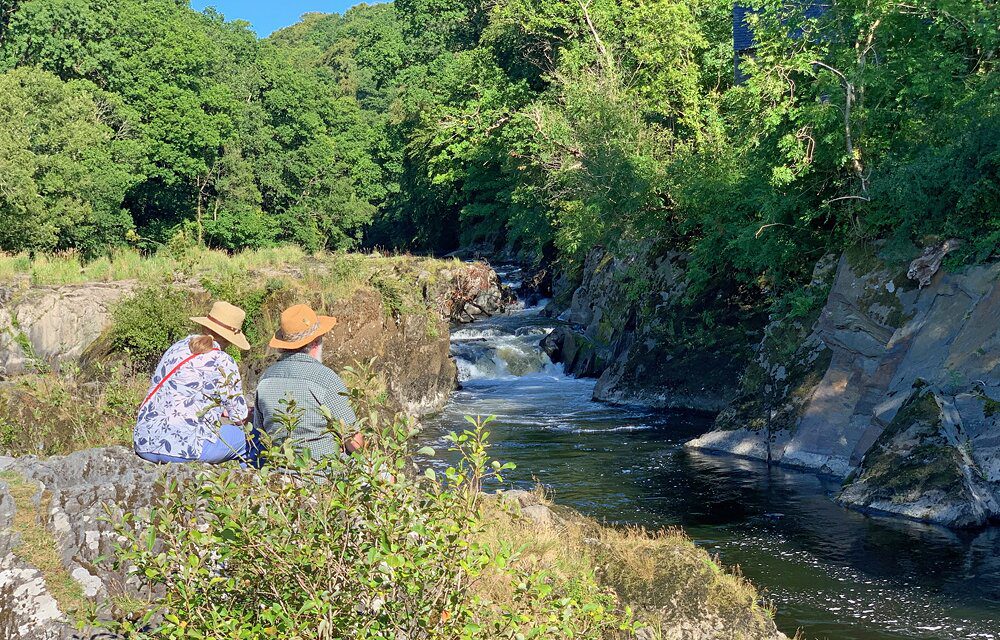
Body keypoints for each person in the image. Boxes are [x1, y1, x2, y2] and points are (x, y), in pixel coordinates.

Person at [133, 301, 252, 464]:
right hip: (186, 449)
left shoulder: (177, 347)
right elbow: (239, 416)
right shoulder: (223, 360)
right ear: (230, 339)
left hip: (145, 442)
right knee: (252, 439)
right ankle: (249, 484)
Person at [253, 303, 362, 459]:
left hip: (278, 471)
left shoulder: (265, 378)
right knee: (386, 475)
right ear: (314, 343)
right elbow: (354, 443)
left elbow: (261, 431)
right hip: (323, 473)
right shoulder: (326, 378)